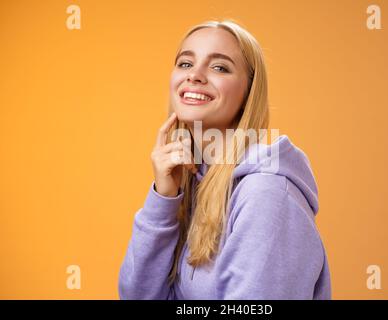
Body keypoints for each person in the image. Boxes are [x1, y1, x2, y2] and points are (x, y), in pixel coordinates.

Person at [118, 19, 331, 299]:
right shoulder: (195, 179)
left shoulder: (267, 195)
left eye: (219, 67)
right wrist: (164, 200)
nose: (195, 75)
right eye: (185, 63)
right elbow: (138, 296)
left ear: (247, 94)